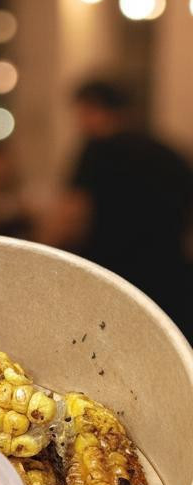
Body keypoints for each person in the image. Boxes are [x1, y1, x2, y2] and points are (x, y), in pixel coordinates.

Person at [36, 80, 193, 331]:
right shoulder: (169, 152)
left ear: (92, 109)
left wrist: (39, 256)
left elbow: (71, 217)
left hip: (113, 282)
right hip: (171, 282)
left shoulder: (97, 150)